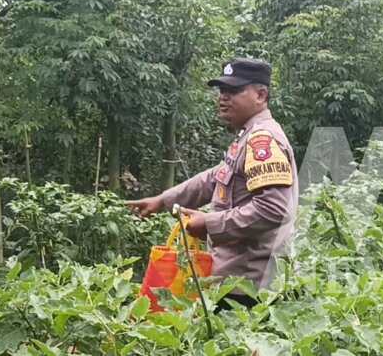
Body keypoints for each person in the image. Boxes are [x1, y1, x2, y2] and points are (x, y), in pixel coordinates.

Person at [128, 58, 298, 310]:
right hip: (234, 281)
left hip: (251, 289)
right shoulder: (247, 136)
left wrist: (208, 224)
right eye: (221, 91)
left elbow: (273, 209)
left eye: (234, 91)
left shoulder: (263, 139)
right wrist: (164, 200)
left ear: (261, 95)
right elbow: (215, 177)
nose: (223, 98)